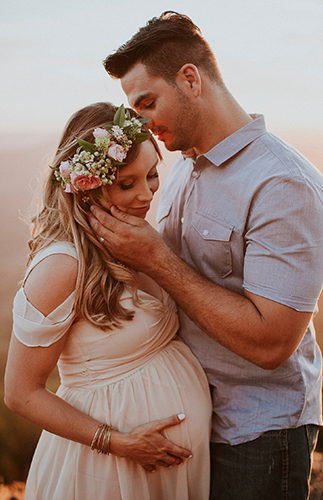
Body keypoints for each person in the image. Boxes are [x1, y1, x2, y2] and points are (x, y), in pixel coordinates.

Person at [88, 12, 323, 500]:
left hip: (257, 433)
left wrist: (156, 260)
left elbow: (271, 343)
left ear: (190, 79)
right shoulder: (181, 166)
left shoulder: (282, 185)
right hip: (190, 422)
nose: (141, 124)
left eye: (146, 103)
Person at [4, 102, 212, 500]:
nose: (146, 194)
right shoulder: (62, 265)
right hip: (107, 471)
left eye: (151, 175)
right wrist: (118, 443)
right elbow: (20, 392)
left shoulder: (138, 237)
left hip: (169, 471)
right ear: (88, 184)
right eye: (126, 183)